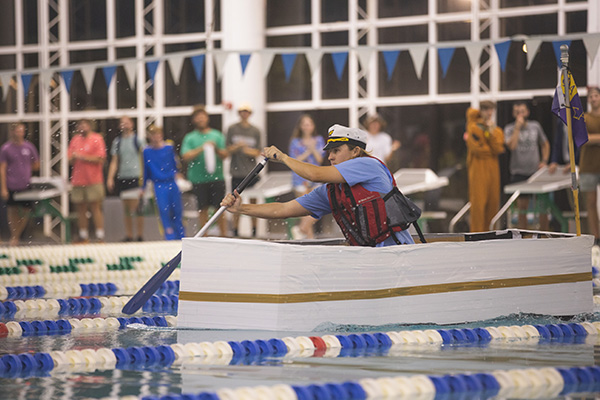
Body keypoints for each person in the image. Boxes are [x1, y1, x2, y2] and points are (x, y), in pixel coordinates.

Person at [221, 124, 415, 247]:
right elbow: (283, 209)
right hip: (367, 259)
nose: (330, 157)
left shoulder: (368, 165)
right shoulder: (330, 191)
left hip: (398, 253)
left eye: (336, 151)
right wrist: (240, 208)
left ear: (356, 151)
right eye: (329, 152)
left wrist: (283, 157)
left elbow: (314, 174)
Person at [181, 105, 228, 237]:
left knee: (220, 208)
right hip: (198, 179)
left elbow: (225, 155)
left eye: (203, 117)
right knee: (203, 208)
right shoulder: (190, 138)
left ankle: (223, 236)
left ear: (207, 118)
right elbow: (185, 156)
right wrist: (202, 148)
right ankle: (204, 236)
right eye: (198, 118)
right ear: (194, 120)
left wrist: (216, 148)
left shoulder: (216, 135)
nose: (201, 120)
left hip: (217, 178)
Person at [504, 101, 550, 230]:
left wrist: (544, 161)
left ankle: (544, 234)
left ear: (527, 112)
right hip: (518, 172)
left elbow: (545, 143)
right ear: (513, 114)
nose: (520, 115)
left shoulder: (535, 126)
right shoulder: (509, 128)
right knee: (522, 208)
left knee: (542, 206)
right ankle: (523, 235)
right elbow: (511, 146)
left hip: (535, 171)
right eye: (517, 112)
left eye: (522, 111)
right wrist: (517, 128)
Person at [465, 102, 505, 232]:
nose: (489, 113)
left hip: (493, 171)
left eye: (491, 110)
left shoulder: (496, 130)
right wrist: (491, 149)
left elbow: (499, 148)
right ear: (481, 111)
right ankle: (476, 235)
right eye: (486, 110)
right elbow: (477, 149)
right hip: (477, 171)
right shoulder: (474, 128)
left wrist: (490, 133)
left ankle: (490, 234)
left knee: (493, 203)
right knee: (478, 205)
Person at [141, 125, 185, 240]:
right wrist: (143, 187)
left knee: (177, 210)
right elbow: (146, 169)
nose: (156, 137)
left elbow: (175, 164)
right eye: (153, 135)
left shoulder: (168, 148)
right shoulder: (147, 151)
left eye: (157, 134)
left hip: (171, 182)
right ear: (149, 137)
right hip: (159, 184)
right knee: (164, 211)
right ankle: (169, 236)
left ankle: (181, 236)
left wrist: (178, 174)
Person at [225, 103, 262, 237]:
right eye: (242, 112)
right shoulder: (232, 129)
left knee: (253, 201)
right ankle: (235, 230)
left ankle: (254, 230)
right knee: (235, 201)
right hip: (236, 172)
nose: (244, 114)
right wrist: (237, 147)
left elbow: (258, 151)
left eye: (246, 112)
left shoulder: (255, 131)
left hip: (251, 172)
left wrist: (245, 149)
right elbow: (227, 149)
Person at [0, 123, 39, 246]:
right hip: (12, 184)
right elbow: (2, 169)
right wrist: (4, 188)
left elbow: (36, 164)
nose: (19, 133)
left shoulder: (29, 147)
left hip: (25, 184)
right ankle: (14, 236)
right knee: (13, 210)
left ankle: (16, 235)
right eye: (17, 131)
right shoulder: (6, 149)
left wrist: (25, 168)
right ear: (12, 132)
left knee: (26, 210)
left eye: (21, 131)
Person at [107, 116, 145, 242]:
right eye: (122, 123)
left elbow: (145, 158)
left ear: (132, 124)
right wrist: (110, 178)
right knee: (127, 208)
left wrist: (145, 176)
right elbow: (114, 161)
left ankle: (139, 235)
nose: (125, 125)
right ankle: (129, 235)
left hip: (136, 176)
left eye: (127, 122)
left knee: (137, 207)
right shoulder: (117, 142)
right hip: (123, 177)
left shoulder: (138, 140)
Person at [68, 119, 107, 243]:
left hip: (94, 179)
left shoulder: (97, 138)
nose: (82, 127)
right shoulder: (75, 140)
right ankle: (83, 235)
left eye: (84, 125)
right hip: (78, 180)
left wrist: (83, 157)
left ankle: (100, 235)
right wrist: (74, 158)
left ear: (89, 126)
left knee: (95, 207)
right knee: (80, 208)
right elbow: (69, 159)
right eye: (80, 125)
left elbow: (101, 158)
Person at [288, 114, 325, 239]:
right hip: (300, 178)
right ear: (300, 126)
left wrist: (313, 148)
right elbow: (294, 160)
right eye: (304, 124)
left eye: (309, 124)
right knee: (305, 210)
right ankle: (310, 240)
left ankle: (301, 229)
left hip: (315, 176)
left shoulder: (319, 140)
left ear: (313, 126)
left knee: (318, 206)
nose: (307, 126)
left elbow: (320, 159)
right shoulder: (295, 141)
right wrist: (308, 150)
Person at [580, 86, 600, 245]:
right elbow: (583, 139)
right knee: (591, 203)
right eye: (590, 97)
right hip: (588, 165)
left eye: (596, 96)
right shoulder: (584, 117)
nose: (593, 99)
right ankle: (596, 238)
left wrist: (593, 138)